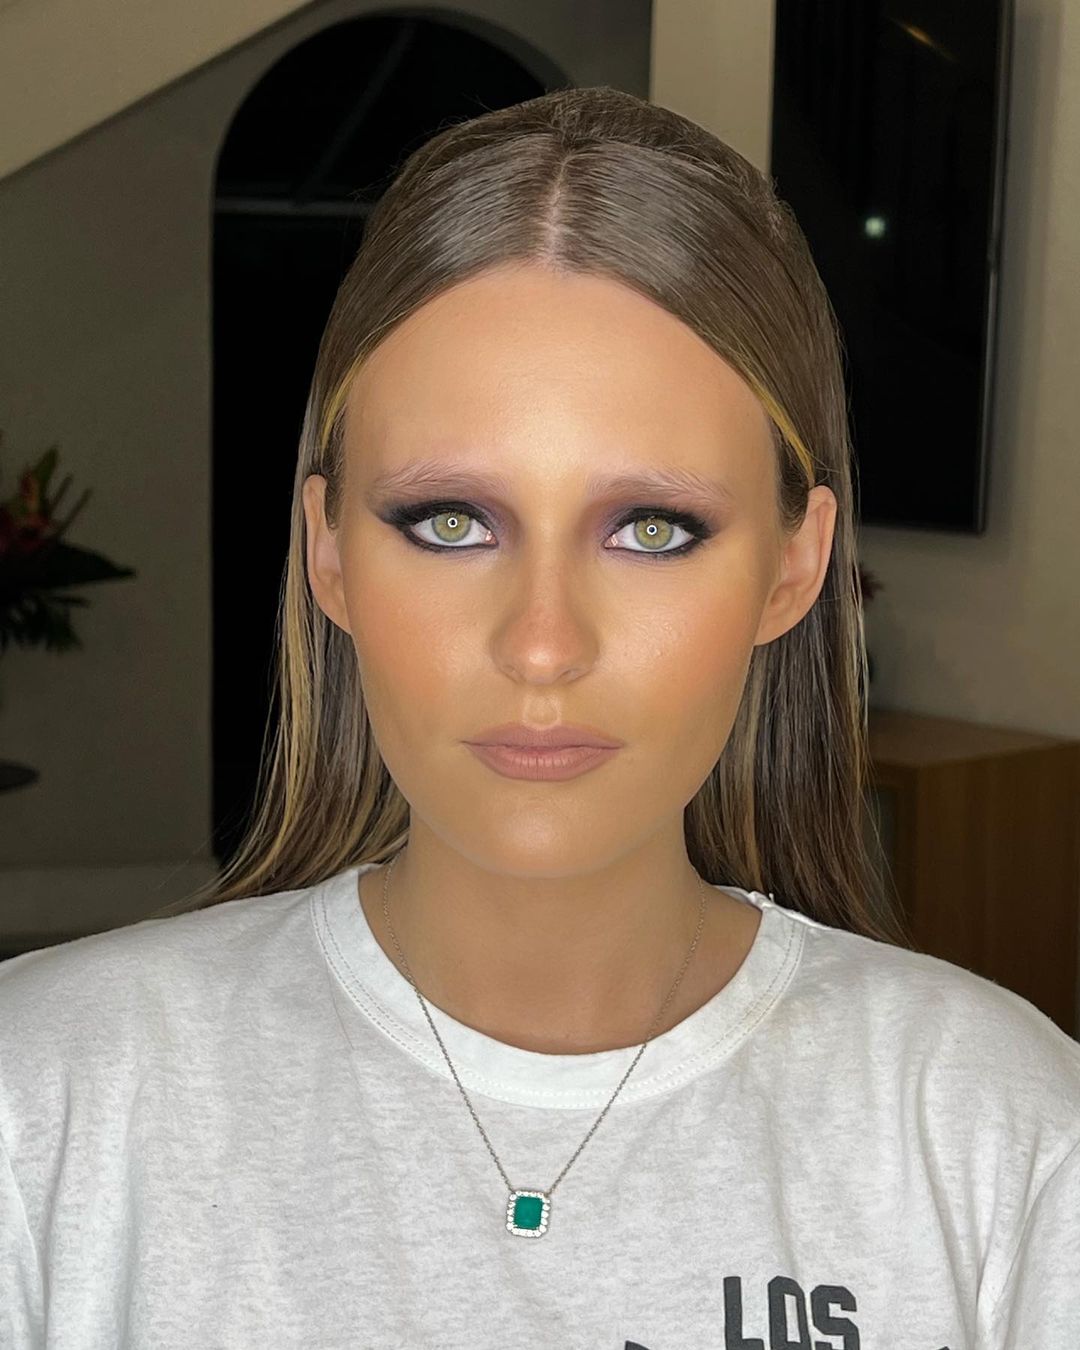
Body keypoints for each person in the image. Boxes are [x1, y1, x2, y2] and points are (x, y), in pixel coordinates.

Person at [1, 85, 1077, 1350]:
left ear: (794, 566)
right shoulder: (44, 1100)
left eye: (653, 529)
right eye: (451, 522)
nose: (543, 645)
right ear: (327, 552)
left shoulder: (1006, 1140)